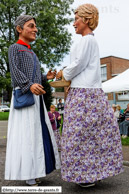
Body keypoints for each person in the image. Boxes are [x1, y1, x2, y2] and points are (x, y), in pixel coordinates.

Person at [56, 4, 123, 188]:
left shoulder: (87, 40)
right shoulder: (87, 41)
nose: (73, 23)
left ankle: (87, 174)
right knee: (91, 135)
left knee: (79, 136)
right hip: (86, 91)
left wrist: (63, 73)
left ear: (86, 19)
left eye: (76, 18)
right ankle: (92, 172)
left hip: (85, 94)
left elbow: (78, 64)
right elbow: (79, 66)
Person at [5, 15, 60, 186]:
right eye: (31, 26)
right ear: (19, 29)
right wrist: (29, 85)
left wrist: (45, 77)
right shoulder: (14, 48)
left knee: (37, 136)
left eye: (35, 26)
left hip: (36, 100)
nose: (35, 29)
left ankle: (36, 171)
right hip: (24, 97)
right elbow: (15, 73)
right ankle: (28, 173)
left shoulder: (31, 52)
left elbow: (33, 76)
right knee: (27, 136)